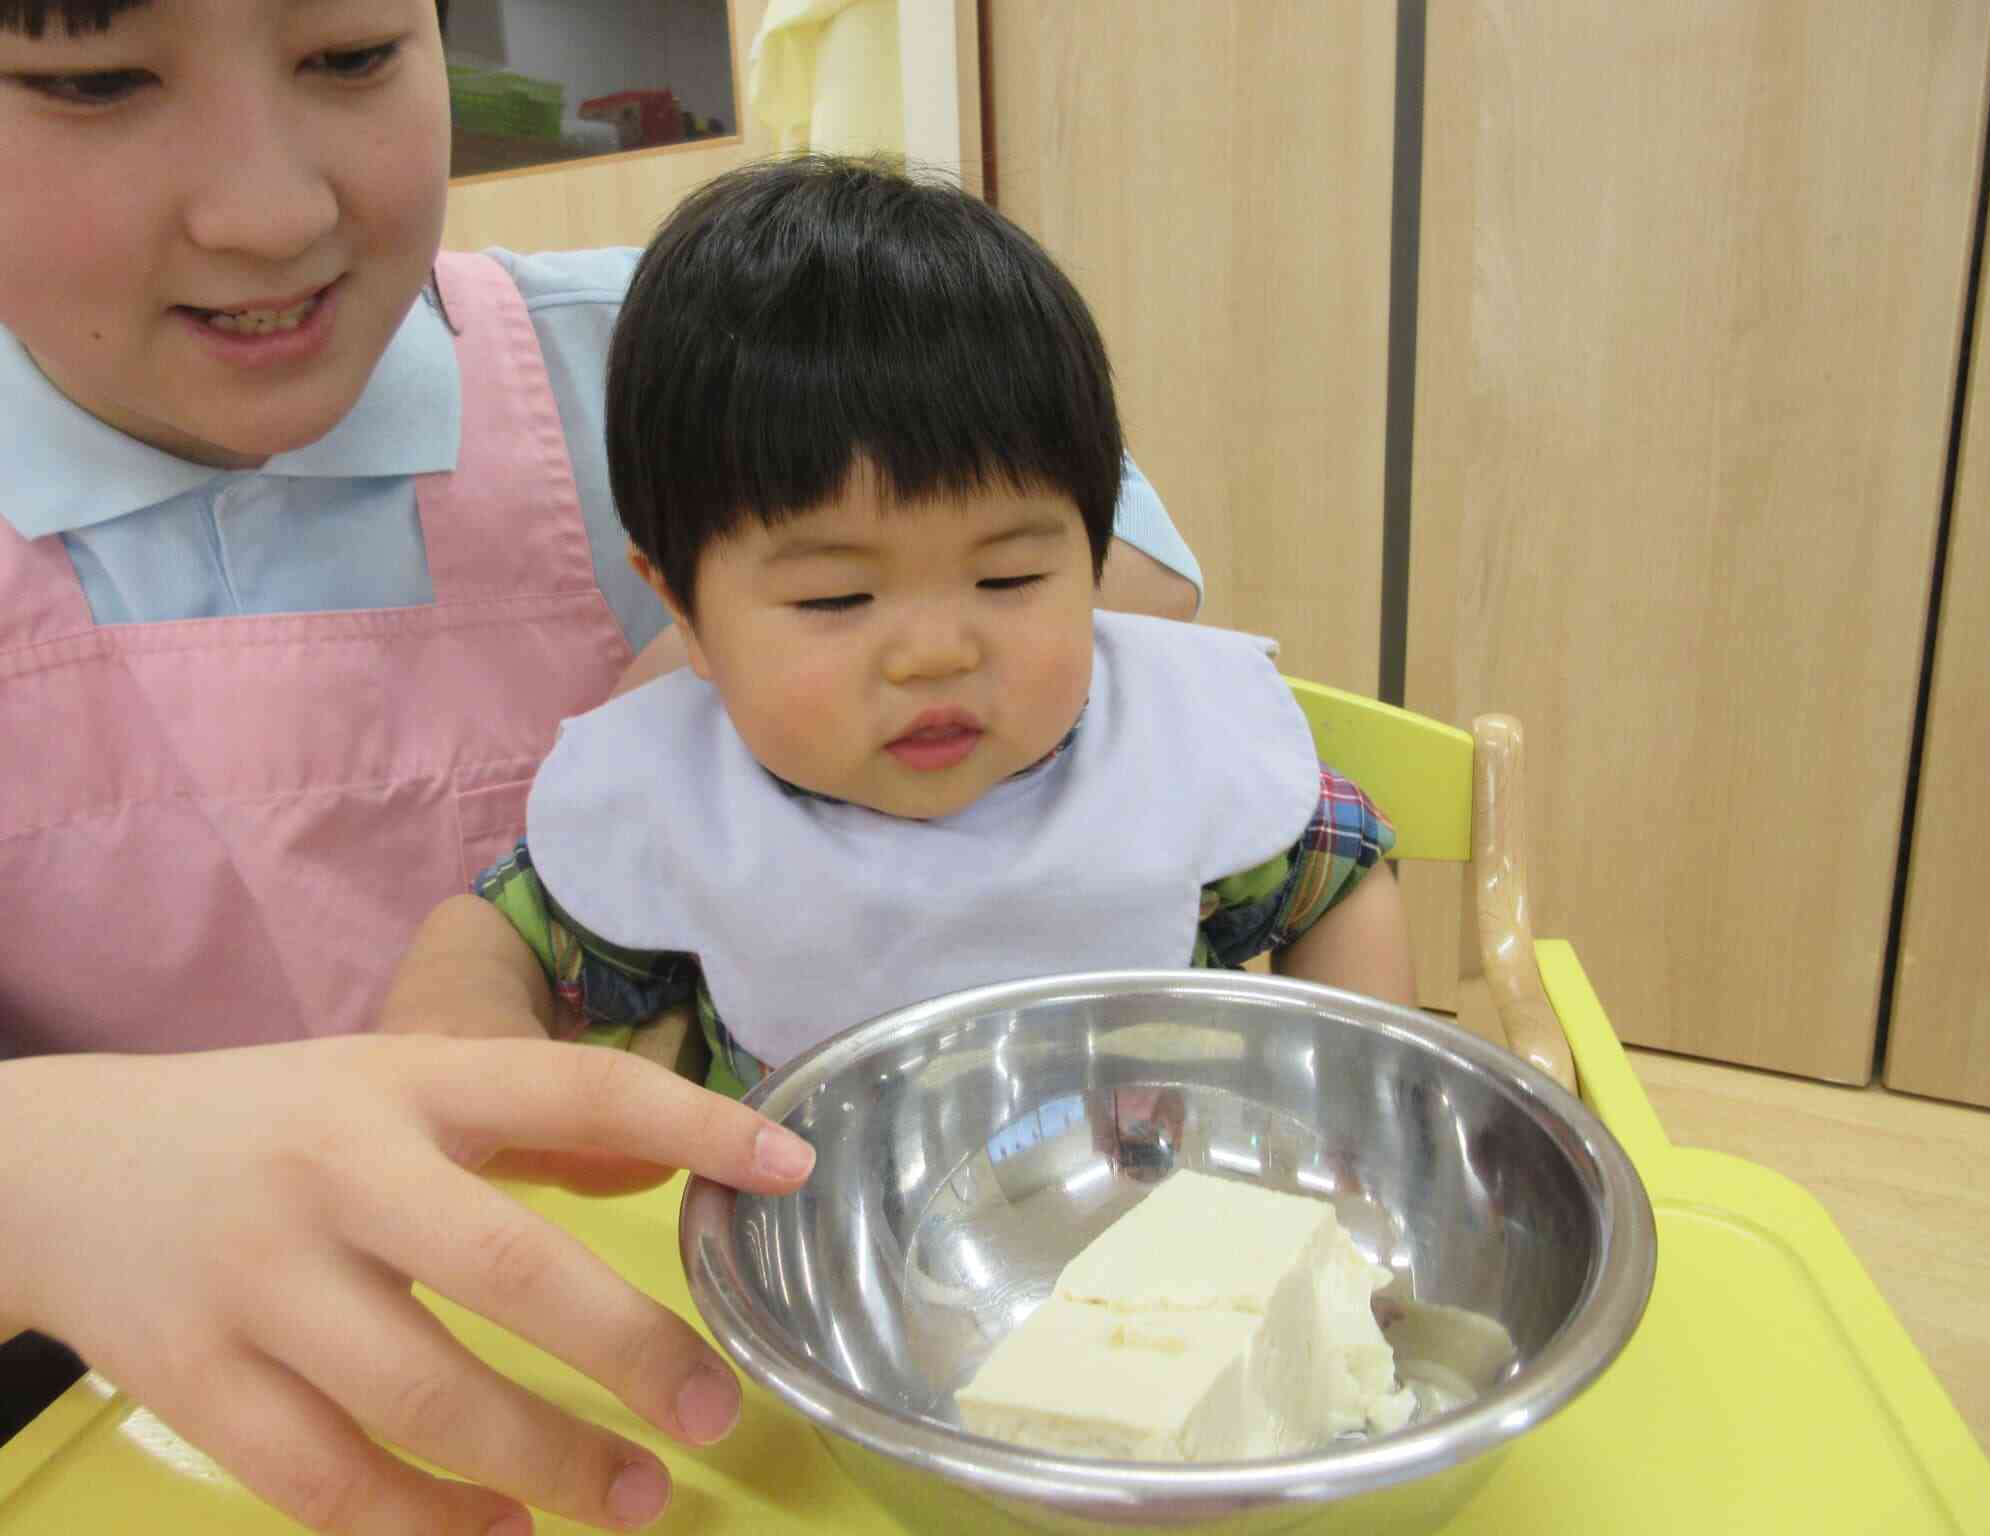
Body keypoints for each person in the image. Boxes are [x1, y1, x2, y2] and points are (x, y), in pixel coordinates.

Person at [0, 2, 1203, 1533]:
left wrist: (732, 691)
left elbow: (1120, 616)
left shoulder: (682, 355)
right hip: (126, 1425)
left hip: (763, 1348)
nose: (272, 211)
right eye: (93, 81)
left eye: (352, 57)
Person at [383, 156, 1418, 1097]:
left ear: (1093, 554)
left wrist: (1353, 1099)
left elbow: (1342, 875)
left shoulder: (1162, 749)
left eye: (1009, 576)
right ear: (684, 613)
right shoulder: (681, 797)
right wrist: (462, 1011)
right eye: (836, 599)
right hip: (826, 1277)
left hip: (1165, 1245)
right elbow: (499, 927)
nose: (936, 653)